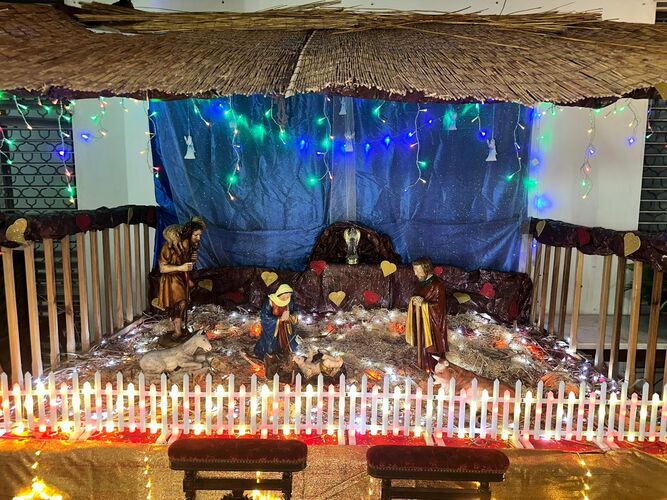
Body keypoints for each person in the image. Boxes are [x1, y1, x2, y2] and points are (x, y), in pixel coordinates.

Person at [157, 216, 206, 346]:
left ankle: (179, 329)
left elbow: (188, 264)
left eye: (200, 235)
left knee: (184, 304)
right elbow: (162, 268)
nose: (198, 238)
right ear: (189, 234)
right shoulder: (169, 247)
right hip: (171, 280)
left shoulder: (190, 246)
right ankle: (177, 331)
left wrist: (192, 261)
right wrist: (181, 267)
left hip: (183, 278)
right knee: (179, 303)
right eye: (196, 235)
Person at [404, 257, 448, 373]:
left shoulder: (437, 285)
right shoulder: (421, 283)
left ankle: (433, 370)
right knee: (422, 345)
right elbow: (417, 296)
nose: (415, 274)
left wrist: (424, 304)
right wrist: (414, 300)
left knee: (430, 347)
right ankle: (423, 367)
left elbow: (440, 307)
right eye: (414, 270)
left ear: (426, 269)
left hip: (432, 324)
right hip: (422, 321)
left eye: (418, 270)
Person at [253, 283, 299, 359]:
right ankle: (271, 354)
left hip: (286, 327)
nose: (286, 298)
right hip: (273, 327)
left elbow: (294, 311)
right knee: (271, 344)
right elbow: (264, 316)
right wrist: (279, 319)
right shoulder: (270, 301)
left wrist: (291, 317)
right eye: (284, 296)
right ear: (280, 294)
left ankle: (286, 352)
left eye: (288, 296)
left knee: (288, 342)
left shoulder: (289, 301)